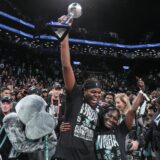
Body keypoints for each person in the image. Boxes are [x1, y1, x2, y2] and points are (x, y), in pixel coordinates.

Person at [54, 16, 103, 160]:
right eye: (93, 92)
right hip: (67, 156)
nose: (97, 95)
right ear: (84, 90)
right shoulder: (76, 97)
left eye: (99, 92)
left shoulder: (100, 110)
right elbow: (66, 66)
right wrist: (65, 34)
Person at [3, 95, 57, 160]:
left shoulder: (42, 118)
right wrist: (45, 145)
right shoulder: (12, 118)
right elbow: (20, 146)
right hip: (13, 155)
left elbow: (53, 140)